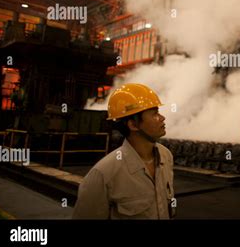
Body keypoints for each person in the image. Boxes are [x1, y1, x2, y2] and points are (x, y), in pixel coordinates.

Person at [72, 83, 175, 219]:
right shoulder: (103, 174)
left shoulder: (166, 157)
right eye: (155, 113)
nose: (162, 118)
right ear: (133, 124)